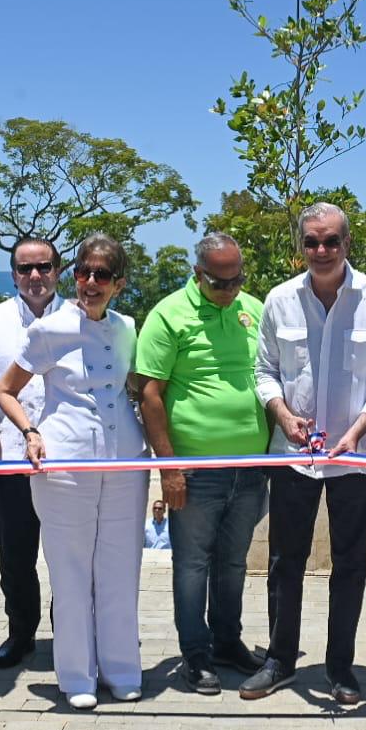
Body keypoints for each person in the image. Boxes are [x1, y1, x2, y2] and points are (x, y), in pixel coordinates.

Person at [243, 202, 366, 704]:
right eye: (311, 241)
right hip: (292, 456)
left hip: (355, 457)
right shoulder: (279, 300)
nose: (321, 250)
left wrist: (358, 430)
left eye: (331, 241)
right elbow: (265, 370)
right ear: (301, 245)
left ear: (347, 244)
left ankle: (341, 667)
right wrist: (284, 416)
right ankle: (280, 660)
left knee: (350, 564)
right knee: (284, 562)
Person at [0, 234, 148, 710]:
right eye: (83, 272)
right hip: (65, 464)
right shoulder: (49, 330)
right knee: (71, 571)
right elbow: (4, 390)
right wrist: (30, 432)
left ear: (119, 283)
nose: (90, 283)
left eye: (102, 275)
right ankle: (76, 676)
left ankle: (121, 668)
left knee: (121, 569)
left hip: (125, 462)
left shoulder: (127, 327)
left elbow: (138, 387)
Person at [135, 232, 269, 695]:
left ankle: (227, 642)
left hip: (250, 468)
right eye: (219, 283)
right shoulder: (168, 315)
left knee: (233, 564)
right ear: (197, 274)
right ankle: (195, 655)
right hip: (195, 469)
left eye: (236, 281)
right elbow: (148, 393)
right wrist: (168, 468)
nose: (230, 291)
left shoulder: (253, 309)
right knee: (192, 565)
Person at [0, 237, 63, 669]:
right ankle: (21, 632)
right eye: (25, 268)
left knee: (66, 553)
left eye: (44, 267)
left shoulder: (78, 319)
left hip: (65, 458)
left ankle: (66, 630)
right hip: (11, 456)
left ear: (58, 270)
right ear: (13, 274)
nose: (35, 276)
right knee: (15, 554)